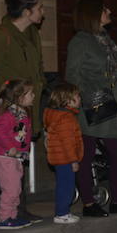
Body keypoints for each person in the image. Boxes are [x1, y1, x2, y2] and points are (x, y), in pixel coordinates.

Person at [65, 0, 117, 217]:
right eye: (103, 9)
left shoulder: (104, 38)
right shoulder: (80, 41)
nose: (109, 11)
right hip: (93, 104)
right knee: (86, 155)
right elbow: (72, 75)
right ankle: (88, 203)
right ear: (92, 14)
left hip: (110, 104)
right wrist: (91, 98)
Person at [0, 0, 47, 223]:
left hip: (27, 106)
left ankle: (18, 208)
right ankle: (5, 211)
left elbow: (37, 67)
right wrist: (1, 102)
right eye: (39, 8)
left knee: (19, 158)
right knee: (6, 160)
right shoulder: (1, 36)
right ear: (26, 11)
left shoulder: (32, 34)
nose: (43, 12)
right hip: (9, 111)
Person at [0, 79, 35, 229]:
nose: (34, 96)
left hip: (15, 158)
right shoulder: (9, 114)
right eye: (30, 94)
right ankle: (4, 218)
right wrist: (10, 147)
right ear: (19, 96)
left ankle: (12, 216)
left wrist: (23, 151)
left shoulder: (21, 113)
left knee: (16, 188)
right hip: (5, 157)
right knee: (10, 188)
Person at [44, 83, 83, 224]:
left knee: (64, 184)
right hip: (65, 158)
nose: (80, 98)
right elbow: (68, 142)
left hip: (59, 156)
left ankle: (63, 211)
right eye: (77, 96)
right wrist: (73, 160)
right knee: (67, 186)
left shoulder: (58, 115)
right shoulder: (66, 118)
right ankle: (62, 213)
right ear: (68, 100)